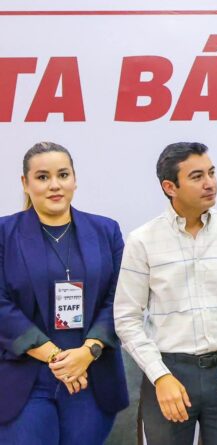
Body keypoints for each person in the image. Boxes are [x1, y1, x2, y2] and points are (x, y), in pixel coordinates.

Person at [113, 142, 217, 445]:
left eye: (212, 173)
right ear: (170, 187)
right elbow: (126, 318)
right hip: (169, 372)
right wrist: (159, 375)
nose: (210, 183)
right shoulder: (143, 241)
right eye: (197, 176)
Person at [0, 142, 128, 444]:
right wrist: (58, 358)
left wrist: (87, 352)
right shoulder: (5, 233)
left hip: (90, 377)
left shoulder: (106, 231)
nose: (54, 185)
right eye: (42, 177)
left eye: (63, 174)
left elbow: (122, 299)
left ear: (74, 178)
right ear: (25, 183)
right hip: (25, 381)